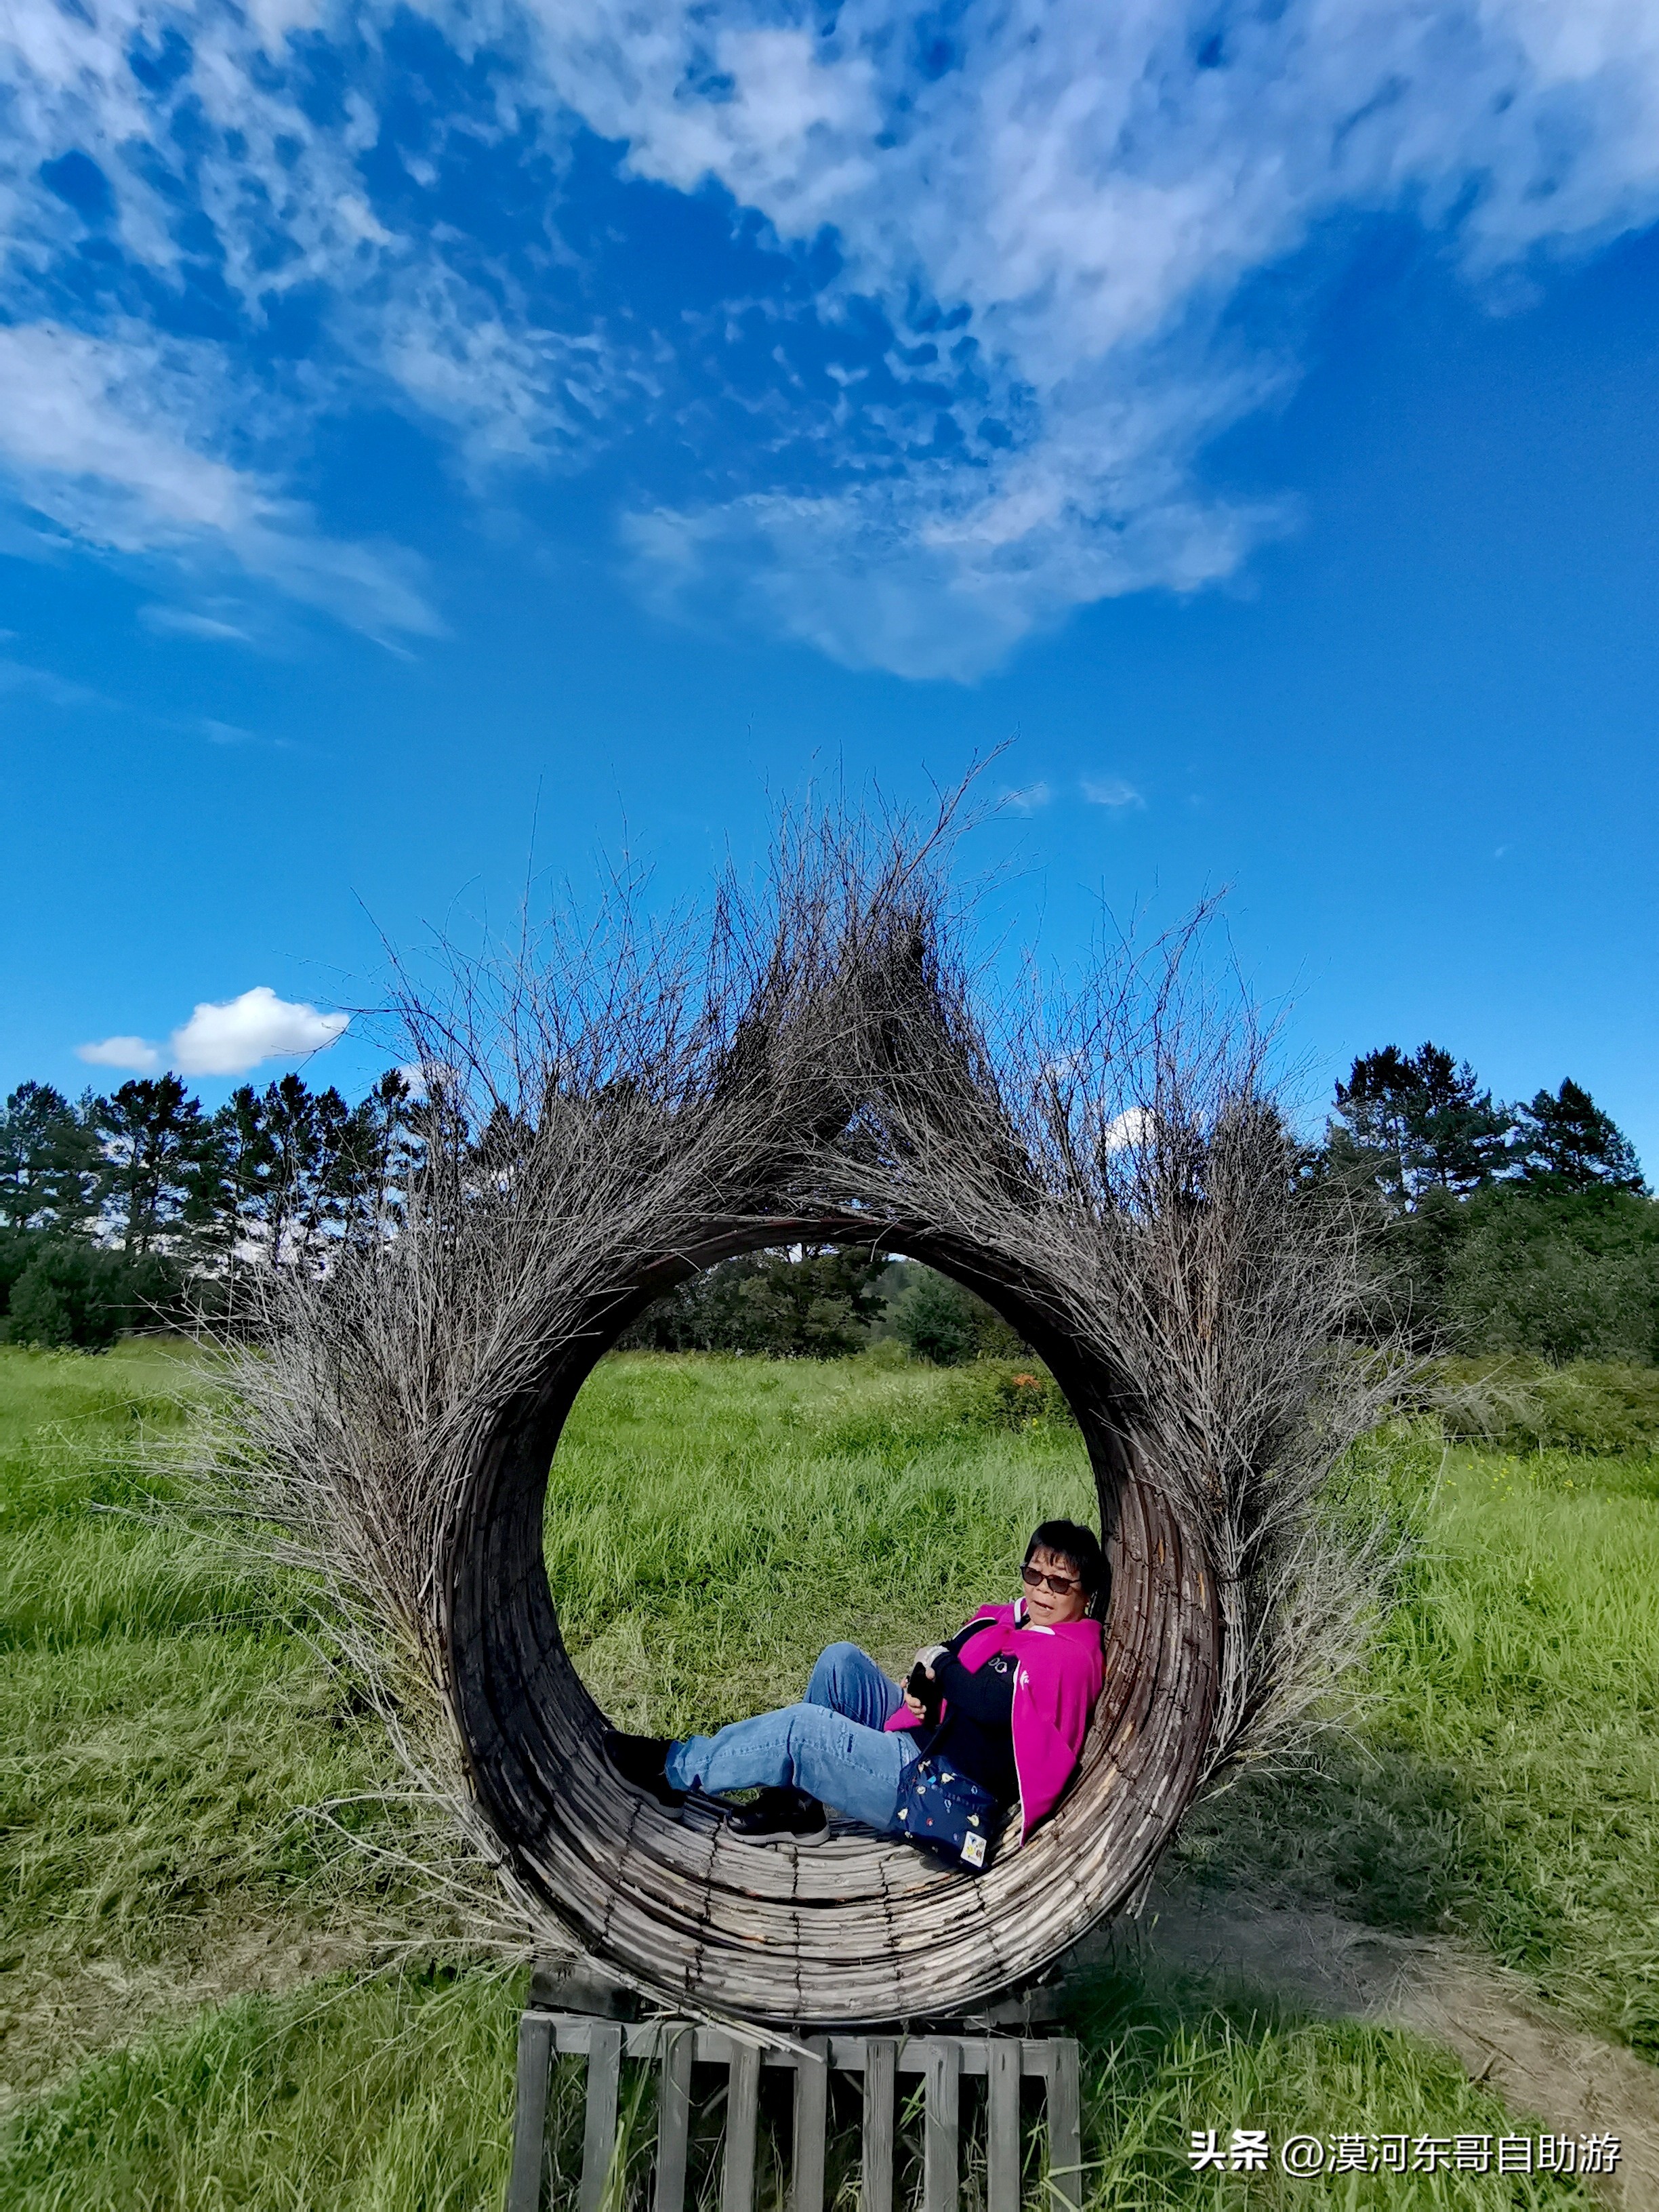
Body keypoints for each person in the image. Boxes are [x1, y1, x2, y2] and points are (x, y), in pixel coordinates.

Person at [604, 1519, 1107, 1848]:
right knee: (840, 1661)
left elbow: (986, 1701)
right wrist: (925, 1681)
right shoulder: (1017, 1625)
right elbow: (956, 1663)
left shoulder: (1067, 1657)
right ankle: (799, 1807)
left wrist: (937, 1665)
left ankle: (673, 1770)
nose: (1043, 1589)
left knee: (805, 1728)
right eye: (1034, 1574)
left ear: (1086, 1593)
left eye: (1060, 1583)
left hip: (929, 1784)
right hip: (925, 1736)